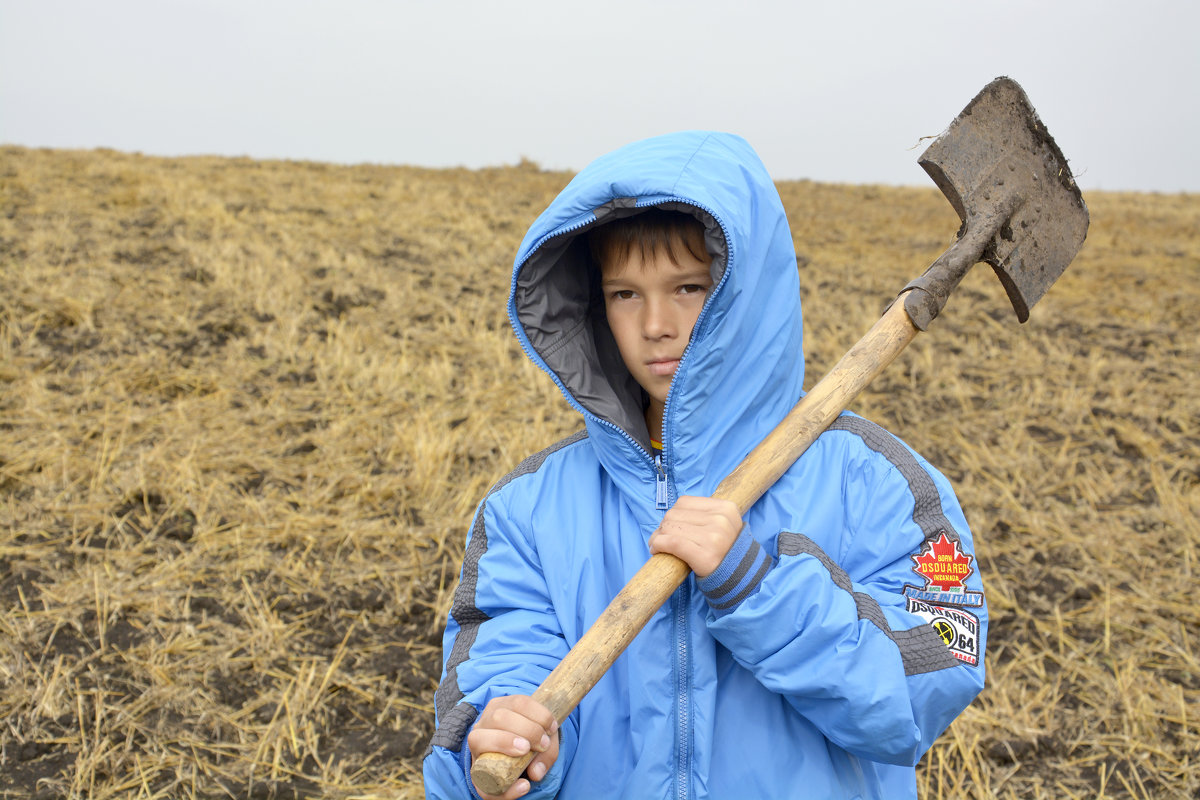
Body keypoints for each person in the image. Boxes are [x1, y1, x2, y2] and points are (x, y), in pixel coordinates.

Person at [423, 131, 987, 799]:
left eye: (687, 288)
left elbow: (932, 682)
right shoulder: (527, 511)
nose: (655, 324)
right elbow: (479, 717)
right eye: (624, 294)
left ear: (744, 294)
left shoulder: (878, 483)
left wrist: (759, 588)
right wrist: (506, 747)